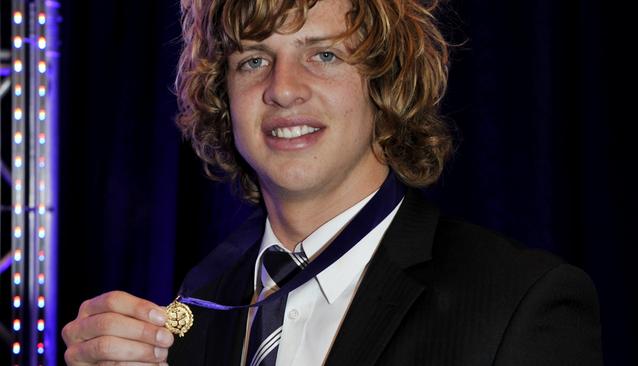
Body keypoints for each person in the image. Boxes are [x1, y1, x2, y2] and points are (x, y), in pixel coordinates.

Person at [62, 0, 603, 365]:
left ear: (385, 83)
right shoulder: (198, 297)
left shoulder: (521, 303)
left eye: (323, 54)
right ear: (222, 95)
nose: (283, 89)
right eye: (253, 60)